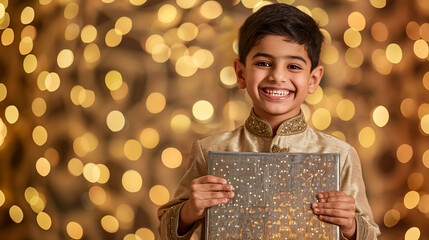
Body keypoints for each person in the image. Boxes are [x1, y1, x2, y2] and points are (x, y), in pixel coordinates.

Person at [158, 3, 380, 240]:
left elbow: (371, 234)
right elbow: (165, 230)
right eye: (264, 63)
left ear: (314, 79)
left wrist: (351, 226)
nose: (277, 76)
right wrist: (189, 211)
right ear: (241, 73)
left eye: (293, 66)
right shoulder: (210, 150)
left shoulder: (340, 155)